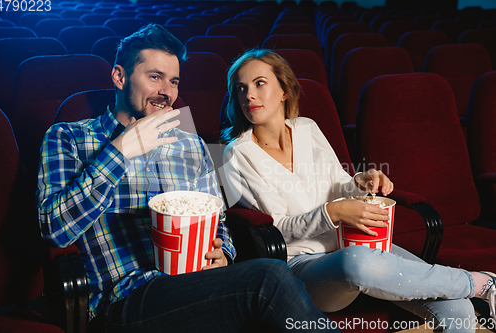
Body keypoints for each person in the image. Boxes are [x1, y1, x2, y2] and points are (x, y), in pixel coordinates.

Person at [37, 24, 341, 333]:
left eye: (174, 81)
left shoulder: (190, 144)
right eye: (154, 77)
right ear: (119, 76)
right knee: (270, 277)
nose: (166, 91)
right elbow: (55, 230)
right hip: (125, 299)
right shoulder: (68, 137)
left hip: (197, 285)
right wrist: (120, 151)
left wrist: (223, 252)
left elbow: (216, 218)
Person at [221, 49, 496, 333]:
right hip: (302, 264)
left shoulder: (307, 128)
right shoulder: (236, 155)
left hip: (354, 244)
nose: (248, 95)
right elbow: (274, 230)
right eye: (240, 89)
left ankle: (475, 286)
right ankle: (480, 282)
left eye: (259, 83)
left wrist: (360, 182)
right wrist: (334, 212)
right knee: (358, 261)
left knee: (458, 309)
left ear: (284, 90)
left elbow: (338, 182)